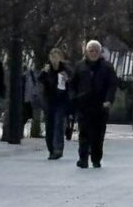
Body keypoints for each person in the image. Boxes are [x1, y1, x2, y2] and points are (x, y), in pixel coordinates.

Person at [69, 39, 118, 169]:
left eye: (96, 51)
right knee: (83, 133)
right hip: (83, 104)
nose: (93, 53)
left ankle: (96, 159)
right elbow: (72, 84)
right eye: (91, 51)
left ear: (100, 52)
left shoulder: (107, 67)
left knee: (98, 134)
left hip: (100, 105)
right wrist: (74, 98)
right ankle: (83, 159)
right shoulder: (79, 66)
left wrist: (109, 100)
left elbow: (112, 85)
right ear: (87, 52)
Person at [38, 48, 73, 160]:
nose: (54, 59)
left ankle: (58, 149)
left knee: (58, 124)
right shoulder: (47, 69)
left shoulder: (65, 69)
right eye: (52, 57)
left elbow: (72, 81)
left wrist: (68, 80)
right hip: (49, 101)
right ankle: (51, 149)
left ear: (60, 58)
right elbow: (40, 80)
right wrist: (44, 72)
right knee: (49, 126)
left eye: (56, 57)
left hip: (61, 101)